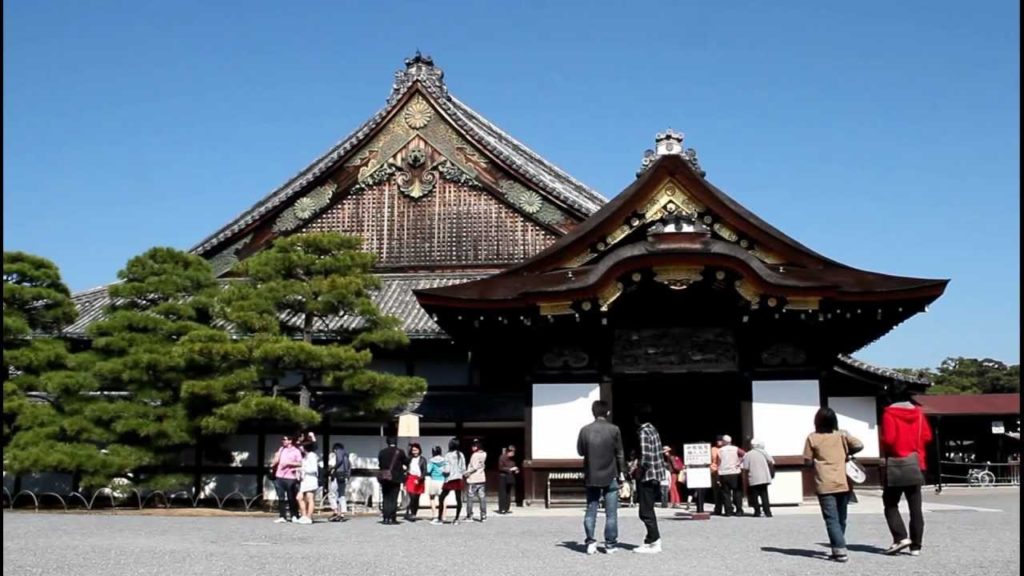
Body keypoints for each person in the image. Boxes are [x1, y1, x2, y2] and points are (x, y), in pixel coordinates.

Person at [804, 407, 864, 563]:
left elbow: (807, 460)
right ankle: (839, 546)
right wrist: (846, 453)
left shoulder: (812, 438)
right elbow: (859, 445)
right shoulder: (842, 435)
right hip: (843, 481)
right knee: (842, 517)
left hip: (824, 482)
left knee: (831, 518)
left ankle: (839, 548)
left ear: (817, 421)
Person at [880, 393, 933, 557]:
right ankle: (916, 546)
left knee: (890, 503)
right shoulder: (918, 414)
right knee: (915, 507)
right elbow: (927, 436)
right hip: (916, 463)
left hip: (896, 464)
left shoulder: (889, 414)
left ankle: (901, 537)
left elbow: (889, 439)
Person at [577, 400, 626, 555]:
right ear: (607, 412)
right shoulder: (614, 430)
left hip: (591, 475)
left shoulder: (585, 430)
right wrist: (623, 473)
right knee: (611, 513)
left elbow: (580, 451)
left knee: (591, 509)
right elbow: (620, 453)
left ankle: (591, 541)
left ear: (593, 412)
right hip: (610, 474)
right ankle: (610, 544)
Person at [633, 406, 666, 554]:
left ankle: (654, 541)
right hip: (657, 474)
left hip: (648, 475)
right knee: (649, 508)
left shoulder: (644, 432)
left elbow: (645, 456)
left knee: (645, 510)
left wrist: (638, 470)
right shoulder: (654, 430)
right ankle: (650, 539)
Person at [270, 434, 303, 523]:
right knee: (281, 497)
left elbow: (300, 463)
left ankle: (294, 515)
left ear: (290, 440)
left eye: (285, 439)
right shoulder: (281, 449)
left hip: (290, 477)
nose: (283, 441)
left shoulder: (296, 451)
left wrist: (289, 463)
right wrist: (273, 462)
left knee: (291, 497)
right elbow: (276, 460)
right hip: (279, 476)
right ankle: (282, 516)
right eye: (283, 440)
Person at [377, 436, 407, 525]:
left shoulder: (382, 452)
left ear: (387, 442)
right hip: (396, 478)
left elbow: (380, 464)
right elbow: (406, 462)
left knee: (386, 497)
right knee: (393, 498)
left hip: (385, 477)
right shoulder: (400, 452)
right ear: (396, 442)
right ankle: (392, 518)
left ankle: (385, 517)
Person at [742, 438, 775, 518]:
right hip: (764, 477)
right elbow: (772, 461)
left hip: (754, 477)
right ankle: (768, 512)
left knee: (755, 496)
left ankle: (757, 512)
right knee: (764, 495)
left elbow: (745, 467)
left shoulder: (748, 454)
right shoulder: (764, 452)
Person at [437, 437, 467, 525]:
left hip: (450, 479)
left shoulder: (448, 455)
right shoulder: (461, 454)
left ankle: (440, 518)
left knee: (441, 497)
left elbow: (447, 469)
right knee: (458, 499)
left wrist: (442, 471)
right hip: (459, 478)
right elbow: (463, 468)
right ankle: (456, 519)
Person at [717, 435, 746, 516]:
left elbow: (718, 462)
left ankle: (728, 511)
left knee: (726, 493)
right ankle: (739, 510)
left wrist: (718, 474)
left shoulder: (720, 450)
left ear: (723, 441)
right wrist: (740, 463)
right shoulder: (735, 448)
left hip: (724, 473)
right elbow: (745, 455)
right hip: (735, 472)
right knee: (737, 492)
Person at [296, 437, 321, 524]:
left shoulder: (312, 456)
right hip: (305, 480)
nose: (300, 448)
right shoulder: (305, 457)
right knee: (300, 497)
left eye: (301, 446)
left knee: (310, 498)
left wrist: (302, 469)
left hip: (311, 479)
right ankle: (304, 515)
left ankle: (309, 517)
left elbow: (313, 469)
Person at [465, 439, 488, 522]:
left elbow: (474, 467)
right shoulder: (484, 454)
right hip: (481, 477)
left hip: (473, 478)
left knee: (470, 497)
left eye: (473, 446)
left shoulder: (475, 455)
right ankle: (483, 515)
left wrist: (467, 473)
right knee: (482, 497)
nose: (472, 448)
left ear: (476, 447)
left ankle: (469, 515)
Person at [404, 443, 428, 521]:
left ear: (419, 450)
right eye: (413, 450)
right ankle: (411, 512)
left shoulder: (422, 459)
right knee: (412, 496)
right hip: (410, 478)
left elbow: (424, 471)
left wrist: (420, 479)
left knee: (417, 498)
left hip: (419, 479)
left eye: (416, 450)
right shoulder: (409, 459)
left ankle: (414, 513)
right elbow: (405, 468)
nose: (414, 452)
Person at [328, 442, 351, 522]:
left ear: (335, 449)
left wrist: (333, 468)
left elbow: (334, 463)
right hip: (344, 476)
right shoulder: (346, 455)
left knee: (331, 494)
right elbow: (349, 467)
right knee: (342, 495)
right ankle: (342, 514)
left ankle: (335, 511)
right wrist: (348, 476)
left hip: (337, 475)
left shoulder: (336, 454)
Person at [427, 446, 447, 524]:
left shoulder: (432, 461)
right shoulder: (444, 460)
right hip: (442, 480)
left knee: (432, 498)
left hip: (434, 480)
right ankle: (444, 516)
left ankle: (434, 515)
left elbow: (428, 470)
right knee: (443, 499)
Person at [497, 445, 520, 514]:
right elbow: (500, 467)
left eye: (513, 452)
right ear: (508, 452)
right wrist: (510, 469)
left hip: (510, 476)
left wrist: (516, 470)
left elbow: (514, 466)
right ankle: (502, 509)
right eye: (512, 452)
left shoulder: (513, 459)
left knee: (508, 493)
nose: (513, 453)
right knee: (502, 493)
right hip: (503, 476)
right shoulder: (502, 457)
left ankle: (507, 508)